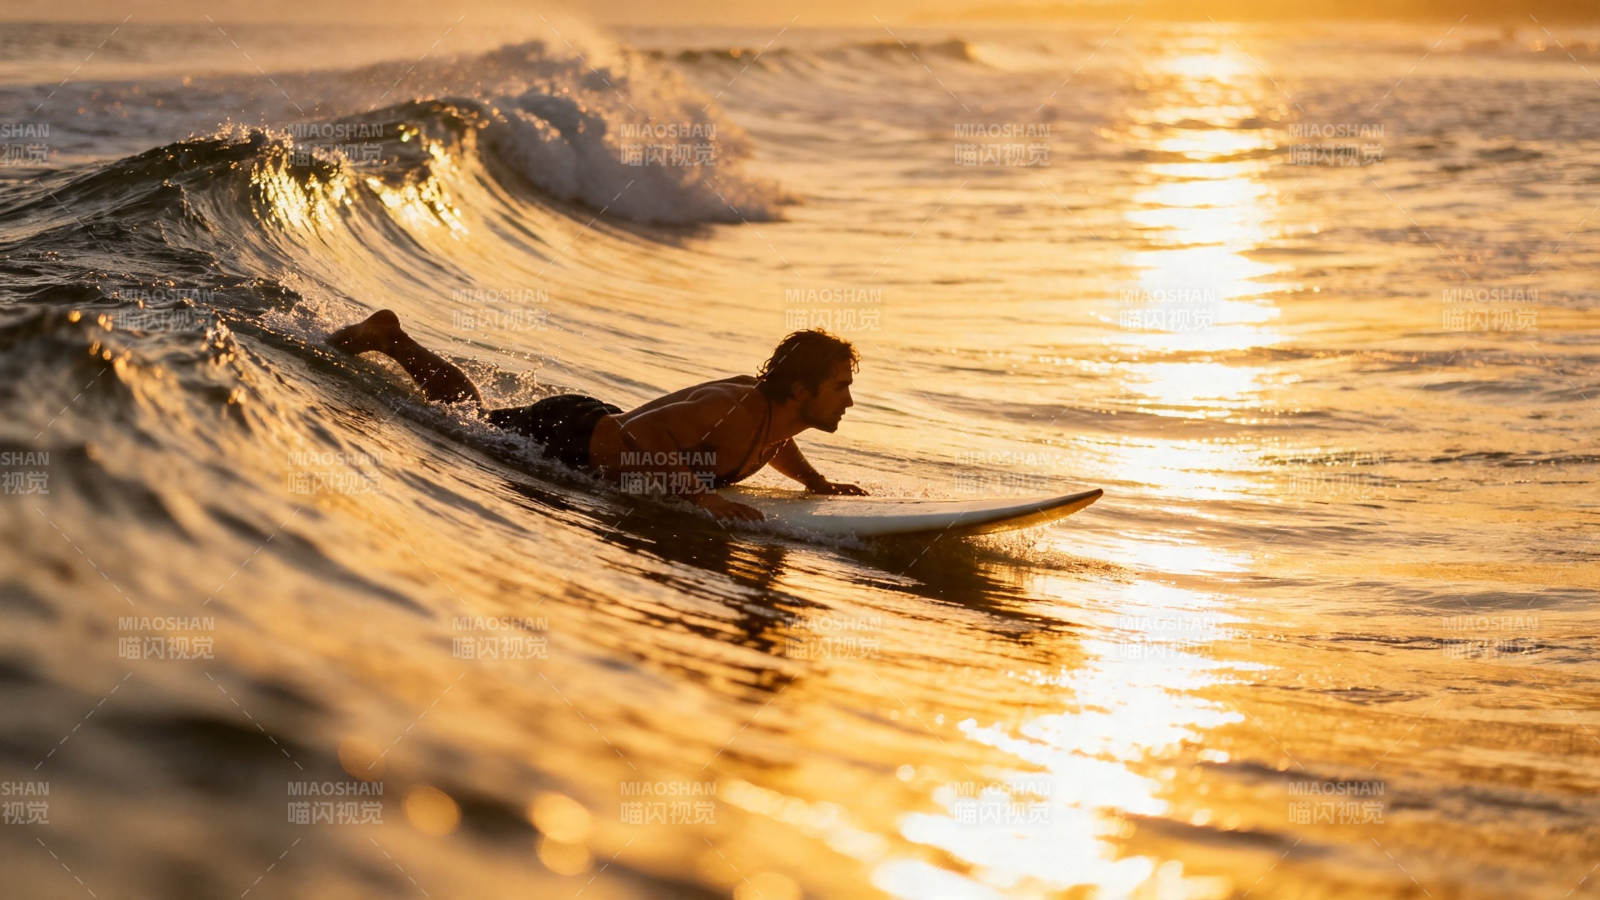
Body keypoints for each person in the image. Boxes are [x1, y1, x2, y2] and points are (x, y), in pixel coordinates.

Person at [327, 310, 866, 521]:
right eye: (840, 386)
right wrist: (703, 498)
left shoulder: (776, 419)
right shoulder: (729, 409)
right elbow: (641, 433)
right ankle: (391, 338)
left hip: (599, 425)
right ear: (800, 388)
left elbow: (776, 442)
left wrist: (815, 483)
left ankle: (392, 340)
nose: (847, 399)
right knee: (466, 417)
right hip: (572, 436)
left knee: (472, 412)